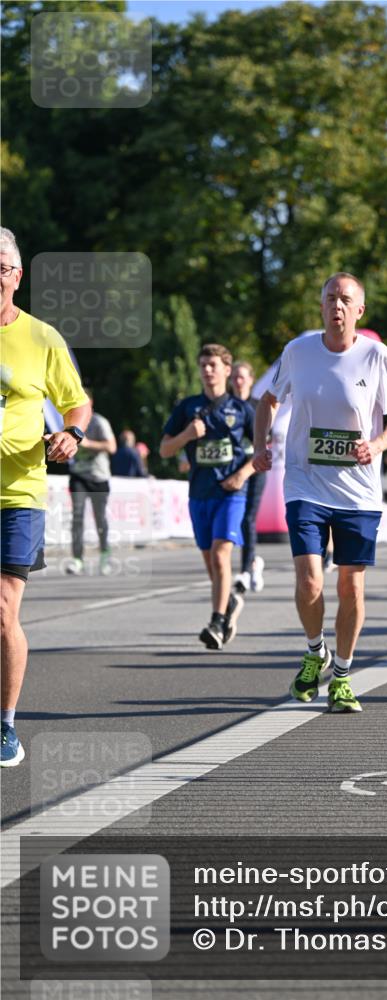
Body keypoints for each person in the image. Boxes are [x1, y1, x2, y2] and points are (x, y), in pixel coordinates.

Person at [253, 272, 387, 713]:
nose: (336, 306)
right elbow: (267, 401)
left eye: (345, 300)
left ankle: (341, 673)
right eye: (329, 299)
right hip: (305, 482)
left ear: (359, 310)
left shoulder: (378, 356)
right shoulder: (298, 352)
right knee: (308, 578)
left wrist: (377, 444)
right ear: (321, 306)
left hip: (358, 492)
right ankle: (313, 650)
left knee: (352, 587)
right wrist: (260, 446)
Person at [0, 226, 91, 766]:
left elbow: (76, 404)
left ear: (16, 276)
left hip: (19, 491)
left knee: (3, 609)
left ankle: (5, 724)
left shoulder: (42, 338)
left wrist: (71, 434)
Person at [160, 343, 255, 649]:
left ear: (227, 370)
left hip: (231, 494)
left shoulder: (242, 410)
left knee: (220, 554)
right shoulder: (187, 407)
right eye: (203, 364)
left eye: (213, 364)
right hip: (199, 493)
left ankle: (216, 621)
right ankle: (228, 604)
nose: (207, 370)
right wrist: (188, 435)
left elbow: (266, 451)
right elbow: (164, 449)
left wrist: (241, 475)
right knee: (211, 562)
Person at [64, 388, 117, 576]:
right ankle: (77, 559)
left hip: (98, 476)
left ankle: (104, 555)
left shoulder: (99, 422)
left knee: (100, 518)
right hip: (79, 475)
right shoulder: (68, 422)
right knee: (77, 517)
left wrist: (88, 444)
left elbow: (112, 447)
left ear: (90, 403)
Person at [230, 361, 266, 594]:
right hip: (230, 471)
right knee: (236, 520)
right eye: (234, 377)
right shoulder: (226, 407)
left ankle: (245, 569)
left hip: (254, 469)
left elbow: (264, 441)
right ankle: (253, 562)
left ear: (251, 380)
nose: (238, 381)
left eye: (242, 377)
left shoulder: (258, 405)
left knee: (248, 518)